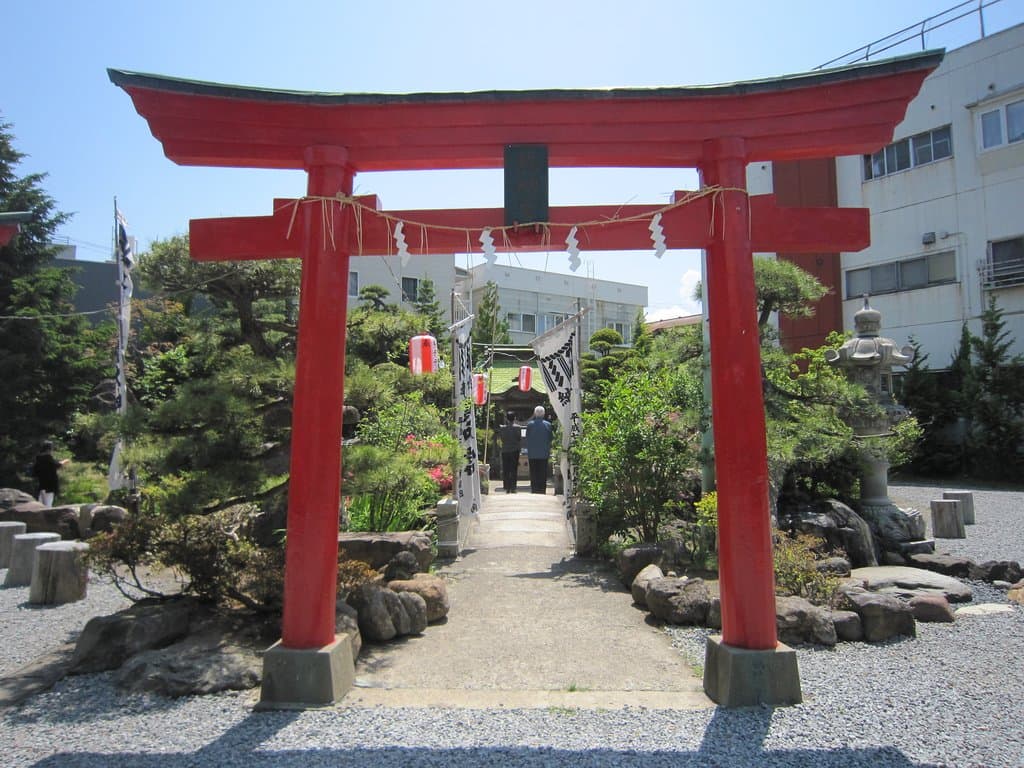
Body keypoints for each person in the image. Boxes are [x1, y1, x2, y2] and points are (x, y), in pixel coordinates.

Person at [525, 405, 553, 494]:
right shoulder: (548, 425)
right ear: (544, 414)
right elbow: (550, 437)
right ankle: (542, 489)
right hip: (544, 452)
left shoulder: (530, 425)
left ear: (534, 414)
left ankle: (534, 489)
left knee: (533, 472)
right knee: (543, 472)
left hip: (532, 453)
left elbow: (527, 437)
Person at [31, 441, 68, 508]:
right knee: (48, 505)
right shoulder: (48, 458)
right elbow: (56, 465)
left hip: (41, 485)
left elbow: (34, 473)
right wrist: (64, 461)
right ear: (48, 449)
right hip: (49, 486)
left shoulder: (38, 459)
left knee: (40, 504)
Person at [498, 410, 522, 493]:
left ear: (507, 419)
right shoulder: (518, 428)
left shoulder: (502, 428)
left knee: (506, 469)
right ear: (514, 418)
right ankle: (513, 487)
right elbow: (519, 438)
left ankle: (507, 487)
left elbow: (502, 439)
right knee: (514, 469)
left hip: (505, 450)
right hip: (515, 450)